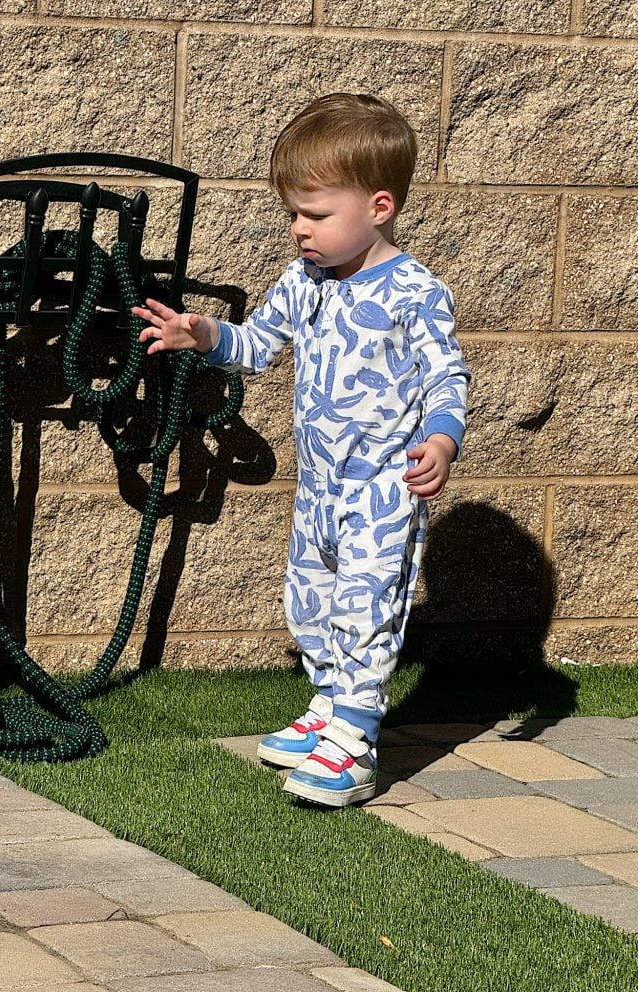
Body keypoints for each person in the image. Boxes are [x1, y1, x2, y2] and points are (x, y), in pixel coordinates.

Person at [132, 93, 470, 808]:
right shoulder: (303, 283)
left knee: (365, 605)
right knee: (312, 602)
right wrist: (207, 336)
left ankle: (353, 742)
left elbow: (446, 376)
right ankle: (326, 705)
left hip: (382, 487)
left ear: (379, 206)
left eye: (315, 215)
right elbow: (258, 347)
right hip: (318, 489)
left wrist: (441, 439)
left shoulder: (415, 292)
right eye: (294, 214)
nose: (298, 230)